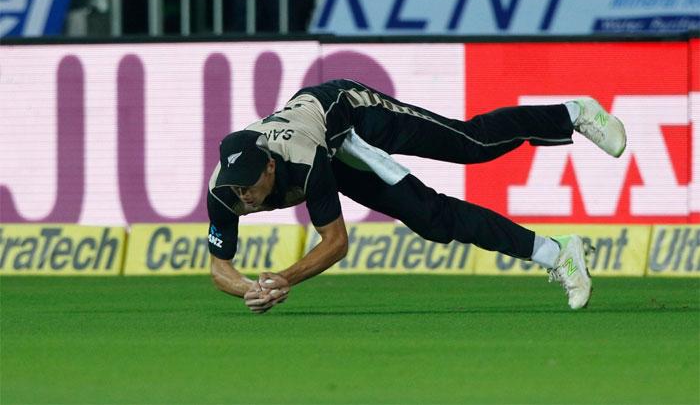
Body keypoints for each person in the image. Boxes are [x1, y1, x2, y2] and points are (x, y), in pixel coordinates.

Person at [206, 79, 626, 314]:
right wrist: (249, 289)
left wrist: (284, 278)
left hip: (352, 114)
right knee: (433, 221)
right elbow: (219, 267)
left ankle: (574, 113)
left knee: (470, 144)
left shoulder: (302, 160)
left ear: (271, 167)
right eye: (236, 188)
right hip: (333, 151)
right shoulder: (224, 189)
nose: (244, 197)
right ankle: (559, 254)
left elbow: (336, 243)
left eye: (249, 185)